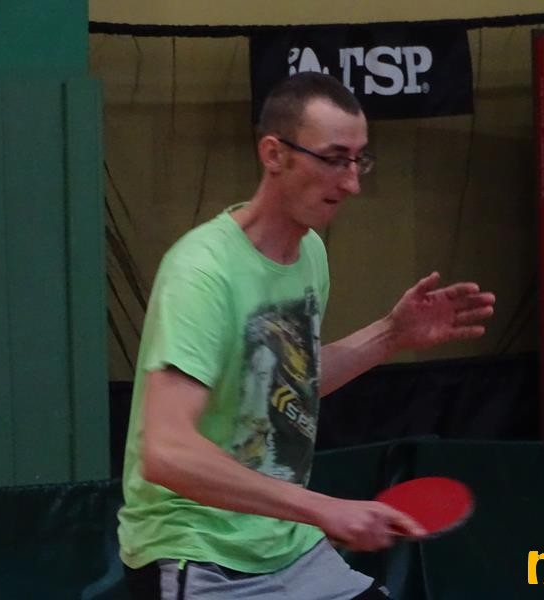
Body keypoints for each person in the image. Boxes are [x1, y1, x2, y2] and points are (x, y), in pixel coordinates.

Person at [117, 71, 496, 600]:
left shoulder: (310, 254)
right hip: (200, 556)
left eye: (359, 160)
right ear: (274, 154)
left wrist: (391, 334)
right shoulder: (201, 273)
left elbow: (288, 385)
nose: (351, 183)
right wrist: (324, 508)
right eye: (334, 159)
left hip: (289, 548)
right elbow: (166, 452)